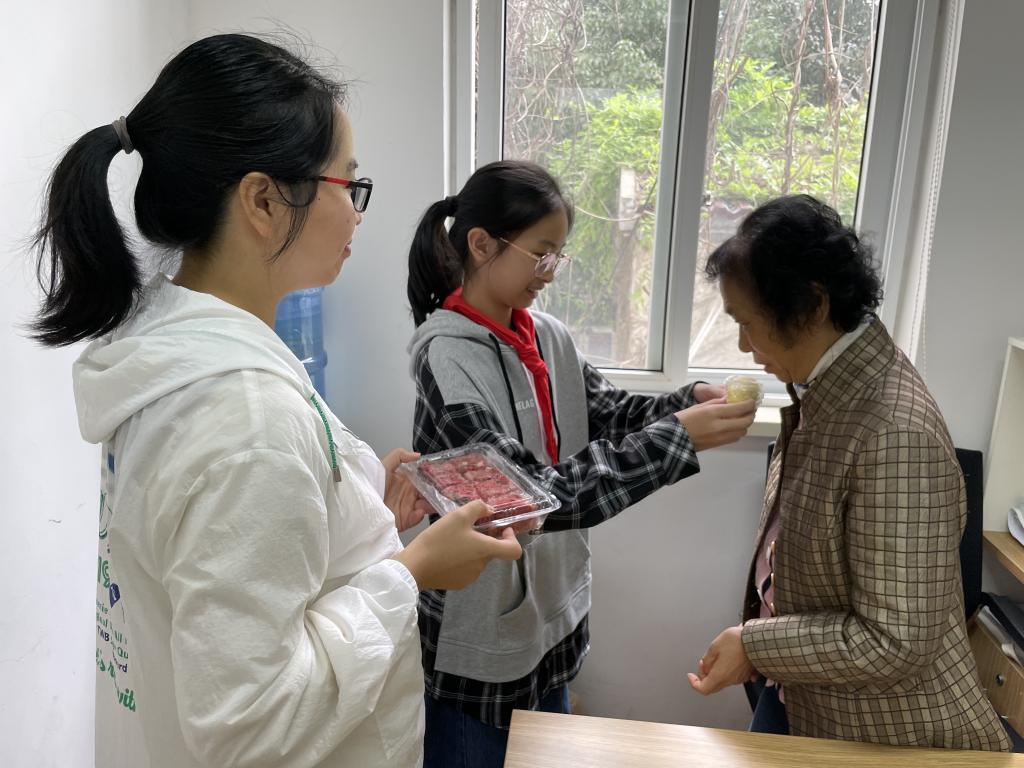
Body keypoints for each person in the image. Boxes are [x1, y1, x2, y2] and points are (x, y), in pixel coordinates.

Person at [32, 33, 521, 768]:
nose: (358, 212)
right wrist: (410, 572)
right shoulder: (246, 419)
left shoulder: (169, 349)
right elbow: (249, 725)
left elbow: (223, 568)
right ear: (263, 200)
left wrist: (360, 510)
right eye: (348, 184)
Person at [406, 160, 757, 767]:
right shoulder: (445, 360)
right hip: (479, 637)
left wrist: (684, 403)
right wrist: (677, 439)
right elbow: (531, 500)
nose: (549, 272)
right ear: (481, 245)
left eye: (558, 256)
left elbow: (607, 411)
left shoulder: (546, 335)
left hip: (552, 619)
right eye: (540, 253)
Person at [687, 194, 1010, 751]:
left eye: (748, 324)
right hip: (804, 689)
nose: (744, 346)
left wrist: (756, 645)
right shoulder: (829, 389)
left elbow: (895, 640)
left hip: (883, 731)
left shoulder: (895, 433)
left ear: (812, 306)